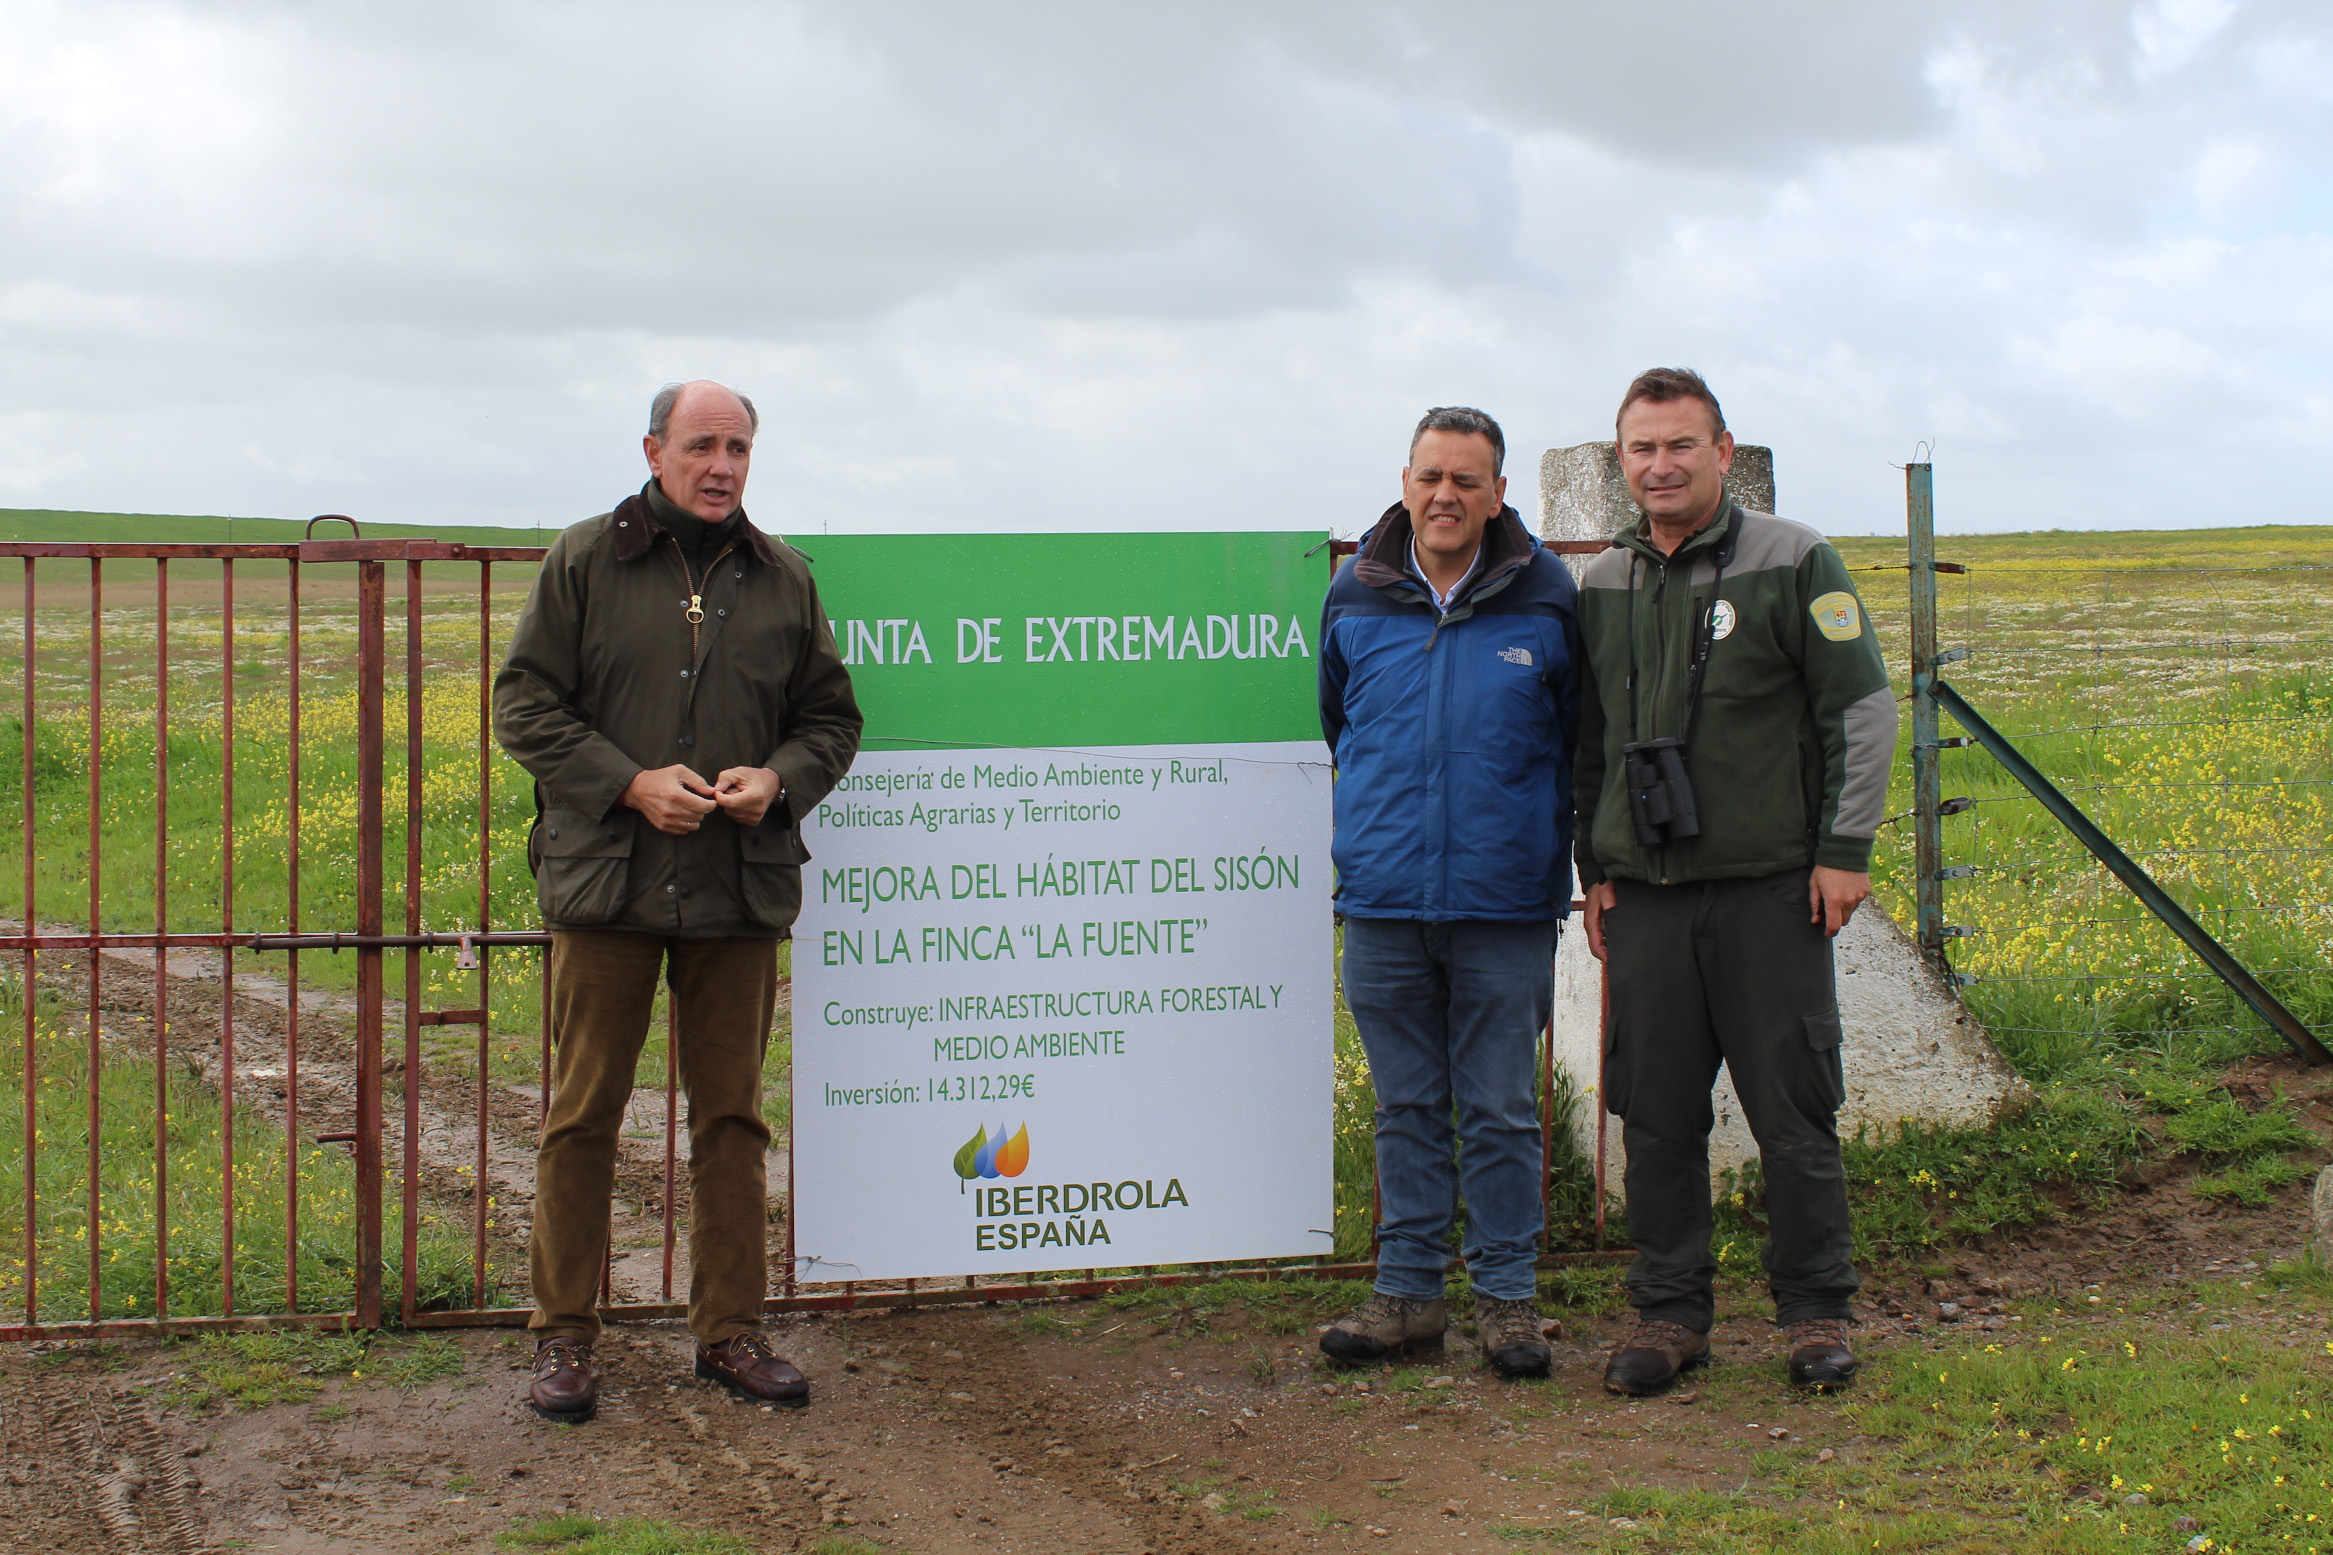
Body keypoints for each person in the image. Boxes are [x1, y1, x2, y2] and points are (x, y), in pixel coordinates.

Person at [494, 380, 862, 1423]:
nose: (722, 466)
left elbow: (830, 720)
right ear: (653, 450)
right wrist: (626, 781)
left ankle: (730, 1331)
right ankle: (564, 1337)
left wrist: (776, 779)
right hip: (605, 887)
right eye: (701, 445)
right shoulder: (583, 560)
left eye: (738, 447)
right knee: (581, 1117)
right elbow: (522, 703)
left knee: (732, 1121)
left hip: (736, 890)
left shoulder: (784, 577)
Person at [1575, 368, 1896, 1395]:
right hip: (1648, 899)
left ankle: (1812, 1312)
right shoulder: (1602, 587)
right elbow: (1584, 746)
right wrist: (1595, 869)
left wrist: (1843, 851)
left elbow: (1860, 710)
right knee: (1656, 1114)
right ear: (1618, 460)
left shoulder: (1793, 559)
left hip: (1770, 890)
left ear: (1721, 451)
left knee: (1790, 1109)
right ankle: (1668, 1316)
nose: (1659, 465)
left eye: (1679, 445)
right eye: (1640, 449)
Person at [1315, 406, 1583, 1377]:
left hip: (1503, 901)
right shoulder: (1354, 592)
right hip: (1383, 900)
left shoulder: (1547, 595)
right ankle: (1408, 1297)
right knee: (1406, 1105)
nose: (1445, 496)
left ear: (1497, 493)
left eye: (1466, 480)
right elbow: (1337, 723)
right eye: (1430, 475)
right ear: (1403, 480)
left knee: (1503, 1106)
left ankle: (1507, 1302)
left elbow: (1575, 741)